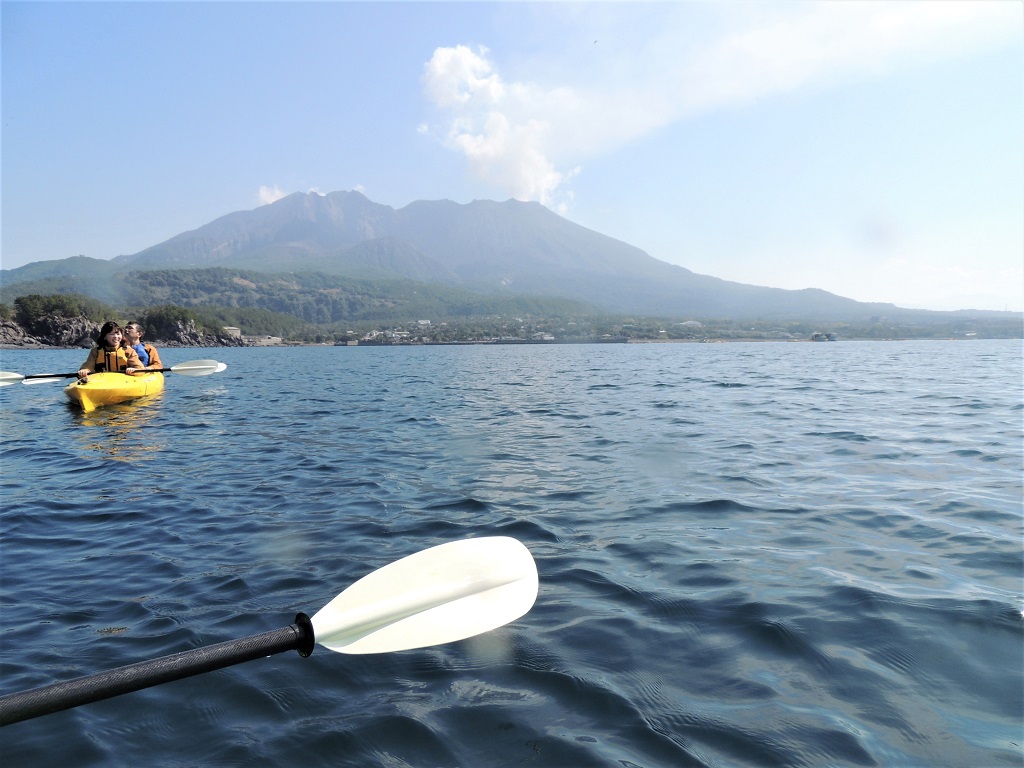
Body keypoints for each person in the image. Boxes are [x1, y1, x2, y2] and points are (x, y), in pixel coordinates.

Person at [77, 321, 144, 380]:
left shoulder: (128, 351)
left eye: (118, 334)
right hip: (102, 382)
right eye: (112, 334)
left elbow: (140, 368)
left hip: (124, 381)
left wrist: (135, 370)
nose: (116, 337)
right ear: (105, 337)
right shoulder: (96, 352)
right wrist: (85, 371)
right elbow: (89, 366)